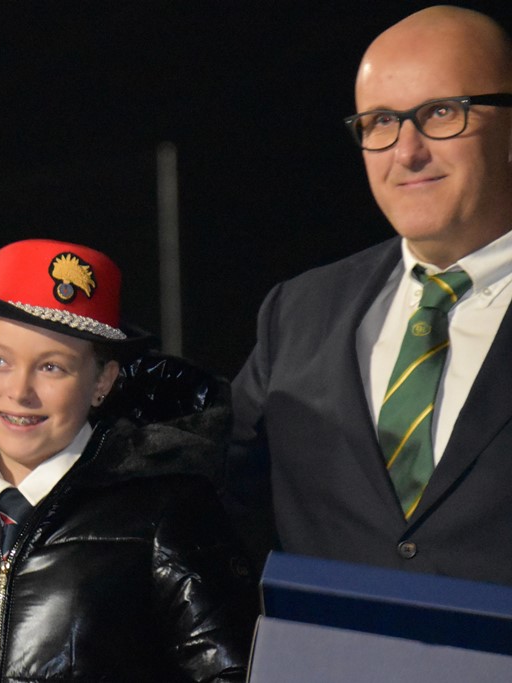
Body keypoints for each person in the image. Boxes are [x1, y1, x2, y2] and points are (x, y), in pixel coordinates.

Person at [228, 5, 512, 585]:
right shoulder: (299, 311)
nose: (406, 152)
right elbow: (214, 496)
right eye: (381, 122)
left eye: (441, 112)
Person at [0, 239, 254, 682]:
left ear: (102, 381)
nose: (20, 391)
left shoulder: (166, 511)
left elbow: (237, 672)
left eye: (51, 367)